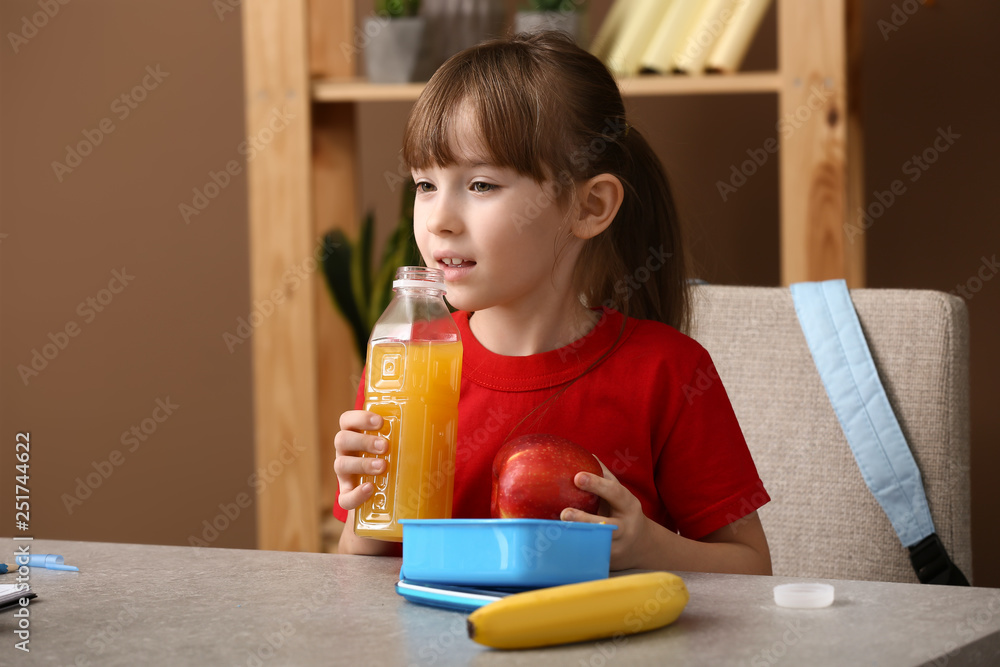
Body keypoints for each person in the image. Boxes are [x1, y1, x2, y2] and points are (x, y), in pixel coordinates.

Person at [334, 31, 772, 575]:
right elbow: (359, 574)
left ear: (589, 206)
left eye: (480, 184)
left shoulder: (670, 372)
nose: (438, 219)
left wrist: (649, 548)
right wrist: (363, 514)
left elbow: (751, 568)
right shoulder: (405, 362)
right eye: (425, 184)